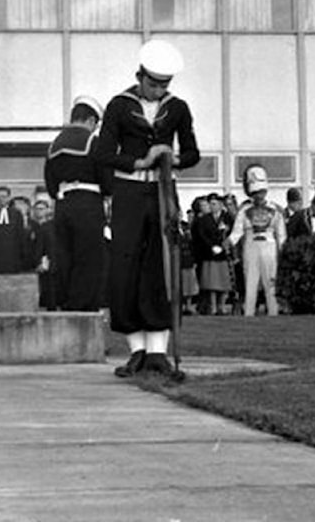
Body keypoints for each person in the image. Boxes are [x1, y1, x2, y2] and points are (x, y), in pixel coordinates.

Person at [94, 39, 199, 379]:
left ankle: (158, 352)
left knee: (161, 266)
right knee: (126, 267)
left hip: (162, 192)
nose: (158, 91)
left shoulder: (178, 107)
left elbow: (193, 152)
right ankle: (136, 350)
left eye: (164, 85)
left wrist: (173, 157)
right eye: (153, 84)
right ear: (139, 76)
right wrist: (141, 159)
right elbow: (104, 153)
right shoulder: (119, 106)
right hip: (128, 191)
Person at [44, 96, 111, 311]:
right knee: (89, 258)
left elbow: (50, 183)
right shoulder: (93, 141)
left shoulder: (54, 145)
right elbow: (106, 178)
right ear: (91, 120)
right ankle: (85, 310)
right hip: (88, 204)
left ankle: (65, 305)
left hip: (63, 205)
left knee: (64, 257)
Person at [228, 165, 286, 317]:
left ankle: (273, 311)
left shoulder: (276, 210)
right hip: (250, 245)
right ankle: (249, 312)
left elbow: (281, 234)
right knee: (250, 281)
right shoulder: (244, 211)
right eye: (255, 193)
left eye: (261, 192)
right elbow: (237, 231)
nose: (258, 196)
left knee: (270, 281)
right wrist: (229, 242)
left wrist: (283, 250)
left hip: (269, 246)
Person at [197, 193, 233, 316]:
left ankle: (221, 306)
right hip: (210, 253)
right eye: (210, 204)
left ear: (220, 205)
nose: (212, 206)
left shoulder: (227, 218)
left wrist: (224, 246)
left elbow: (232, 233)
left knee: (223, 283)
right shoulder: (204, 219)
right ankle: (212, 307)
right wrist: (212, 246)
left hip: (223, 254)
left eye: (214, 204)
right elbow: (202, 235)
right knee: (211, 283)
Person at [0, 186, 24, 274]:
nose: (1, 199)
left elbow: (20, 234)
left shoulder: (16, 214)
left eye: (4, 196)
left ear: (8, 197)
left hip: (12, 253)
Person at [32, 199, 59, 310]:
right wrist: (38, 262)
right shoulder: (45, 227)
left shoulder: (66, 226)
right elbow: (40, 248)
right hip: (52, 266)